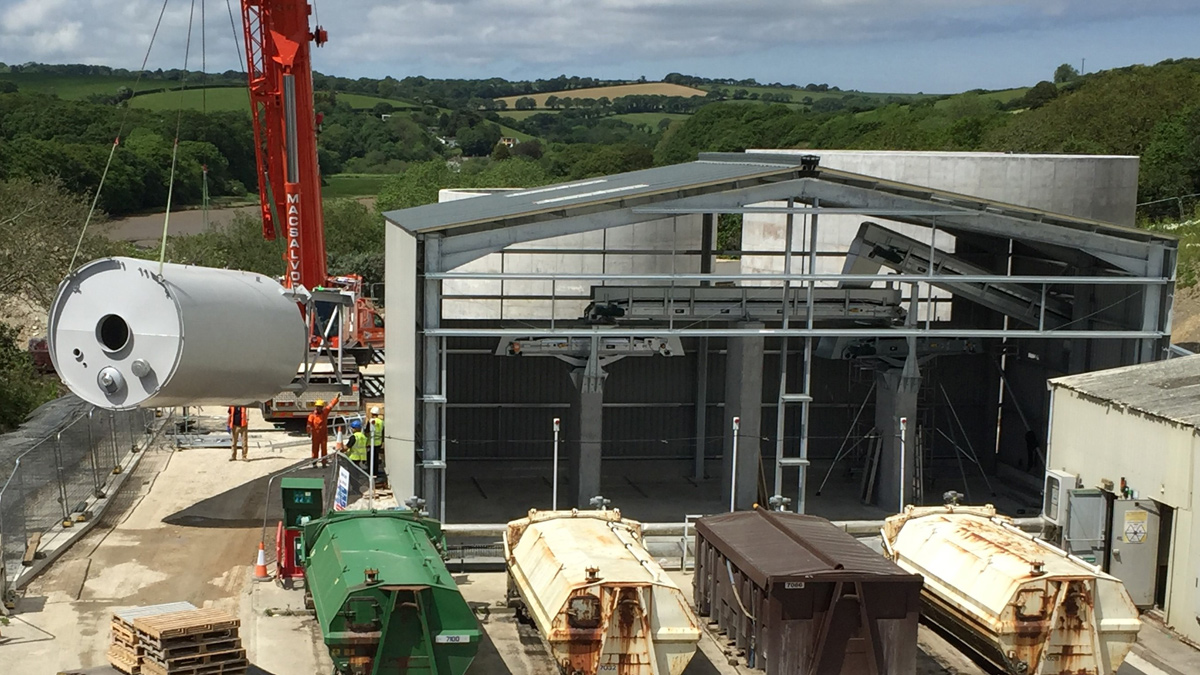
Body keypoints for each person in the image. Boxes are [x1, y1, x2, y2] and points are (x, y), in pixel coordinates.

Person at [306, 395, 340, 467]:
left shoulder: (325, 412)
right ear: (316, 407)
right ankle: (314, 463)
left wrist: (336, 398)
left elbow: (331, 405)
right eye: (318, 406)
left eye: (320, 407)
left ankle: (324, 462)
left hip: (323, 435)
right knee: (315, 449)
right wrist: (308, 432)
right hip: (316, 435)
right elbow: (308, 424)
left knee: (324, 449)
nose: (319, 408)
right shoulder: (312, 415)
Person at [367, 406, 387, 485]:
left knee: (370, 459)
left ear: (372, 413)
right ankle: (375, 473)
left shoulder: (371, 421)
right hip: (378, 443)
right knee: (376, 458)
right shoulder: (382, 422)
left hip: (371, 443)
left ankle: (370, 473)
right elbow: (383, 432)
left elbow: (367, 431)